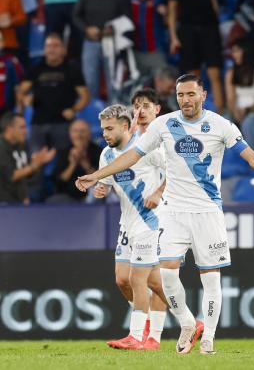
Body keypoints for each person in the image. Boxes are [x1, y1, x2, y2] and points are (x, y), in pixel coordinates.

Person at [75, 74, 254, 355]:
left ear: (203, 94)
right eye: (181, 95)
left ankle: (208, 340)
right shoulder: (164, 124)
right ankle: (187, 323)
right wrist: (96, 176)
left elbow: (251, 156)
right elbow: (132, 156)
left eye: (191, 94)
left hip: (207, 212)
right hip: (174, 213)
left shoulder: (220, 125)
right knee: (167, 276)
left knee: (211, 280)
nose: (185, 100)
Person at [90, 105, 169, 350]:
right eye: (103, 129)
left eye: (109, 128)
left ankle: (137, 334)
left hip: (151, 220)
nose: (105, 133)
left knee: (138, 279)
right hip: (127, 223)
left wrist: (157, 192)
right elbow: (105, 184)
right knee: (125, 280)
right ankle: (191, 320)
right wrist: (101, 189)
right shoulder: (107, 155)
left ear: (125, 126)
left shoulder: (147, 146)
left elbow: (176, 172)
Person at [19, 33, 89, 153]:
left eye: (56, 46)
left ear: (63, 50)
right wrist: (25, 99)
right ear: (45, 49)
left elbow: (85, 96)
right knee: (36, 163)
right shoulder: (36, 69)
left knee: (63, 161)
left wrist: (73, 110)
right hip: (38, 123)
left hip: (63, 124)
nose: (52, 49)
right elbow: (21, 91)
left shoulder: (72, 69)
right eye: (49, 46)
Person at [168, 0, 224, 111]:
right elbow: (172, 8)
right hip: (188, 30)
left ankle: (221, 114)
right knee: (193, 78)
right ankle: (196, 116)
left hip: (210, 28)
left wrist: (218, 22)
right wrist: (174, 37)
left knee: (215, 73)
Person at [73, 0, 131, 101]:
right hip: (91, 42)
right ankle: (93, 110)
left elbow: (127, 18)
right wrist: (87, 29)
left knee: (113, 81)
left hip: (112, 43)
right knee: (89, 80)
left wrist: (114, 28)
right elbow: (76, 16)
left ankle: (114, 112)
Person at [0, 113, 55, 204]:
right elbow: (10, 176)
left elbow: (24, 174)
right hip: (4, 205)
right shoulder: (1, 147)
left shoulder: (21, 145)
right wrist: (34, 165)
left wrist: (38, 162)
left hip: (19, 202)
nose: (26, 131)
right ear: (9, 128)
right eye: (22, 127)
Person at [225, 39, 254, 150]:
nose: (234, 55)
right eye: (233, 52)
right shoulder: (231, 73)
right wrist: (235, 112)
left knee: (249, 122)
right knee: (223, 120)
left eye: (237, 51)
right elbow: (231, 99)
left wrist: (247, 110)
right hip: (237, 111)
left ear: (246, 52)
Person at [50, 119, 102, 203]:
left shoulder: (98, 152)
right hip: (68, 196)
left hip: (93, 195)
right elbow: (59, 182)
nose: (79, 135)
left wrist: (84, 162)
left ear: (89, 134)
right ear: (70, 134)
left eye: (82, 131)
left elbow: (101, 180)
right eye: (75, 131)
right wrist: (73, 164)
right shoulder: (63, 152)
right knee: (55, 200)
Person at [130, 0, 168, 76]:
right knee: (141, 87)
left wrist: (165, 13)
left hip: (156, 50)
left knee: (162, 85)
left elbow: (170, 18)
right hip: (135, 51)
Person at [0, 31, 23, 116]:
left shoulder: (11, 61)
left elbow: (19, 85)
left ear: (3, 43)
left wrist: (19, 106)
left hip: (6, 110)